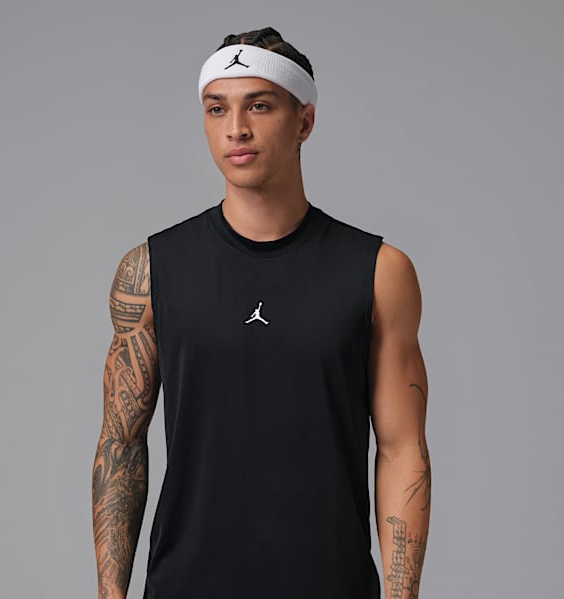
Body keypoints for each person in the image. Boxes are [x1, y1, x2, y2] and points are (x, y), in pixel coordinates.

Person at [92, 26, 431, 599]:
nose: (236, 128)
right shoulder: (150, 271)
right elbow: (120, 444)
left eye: (260, 105)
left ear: (305, 121)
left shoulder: (378, 271)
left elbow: (403, 450)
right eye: (216, 108)